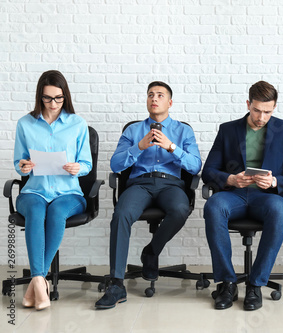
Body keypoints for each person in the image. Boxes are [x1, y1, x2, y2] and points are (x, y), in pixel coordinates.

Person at [95, 81, 202, 310]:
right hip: (139, 184)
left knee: (181, 209)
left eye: (160, 95)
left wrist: (172, 147)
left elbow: (195, 166)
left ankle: (151, 251)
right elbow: (115, 164)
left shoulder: (184, 131)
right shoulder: (133, 131)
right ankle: (116, 284)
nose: (154, 98)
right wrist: (139, 147)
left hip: (170, 184)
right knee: (121, 214)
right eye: (150, 95)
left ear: (169, 102)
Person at [202, 81, 283, 311]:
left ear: (274, 107)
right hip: (235, 194)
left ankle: (256, 284)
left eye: (268, 111)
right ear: (248, 104)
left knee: (279, 209)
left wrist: (275, 181)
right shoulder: (228, 130)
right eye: (257, 110)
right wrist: (231, 179)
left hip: (267, 196)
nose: (261, 117)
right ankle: (227, 283)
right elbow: (208, 170)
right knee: (213, 207)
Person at [14, 70, 92, 311]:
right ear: (40, 97)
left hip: (68, 193)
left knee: (57, 213)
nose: (54, 104)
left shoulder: (77, 124)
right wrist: (23, 166)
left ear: (65, 97)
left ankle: (36, 281)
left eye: (59, 98)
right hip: (34, 191)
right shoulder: (25, 124)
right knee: (36, 213)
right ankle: (40, 281)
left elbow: (87, 165)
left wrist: (77, 167)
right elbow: (19, 162)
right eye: (48, 98)